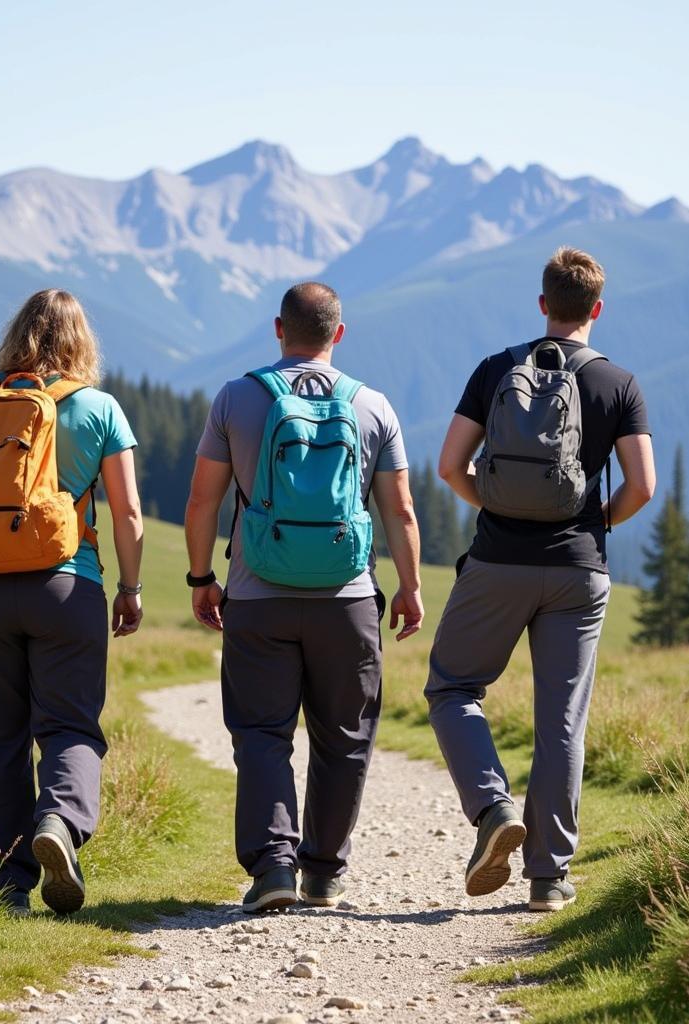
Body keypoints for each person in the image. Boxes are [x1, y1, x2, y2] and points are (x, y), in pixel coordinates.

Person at [426, 247, 655, 912]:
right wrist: (595, 525)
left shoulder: (498, 369)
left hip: (497, 562)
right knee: (562, 720)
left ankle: (493, 808)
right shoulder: (619, 384)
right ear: (597, 309)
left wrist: (496, 507)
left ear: (542, 304)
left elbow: (448, 466)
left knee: (451, 687)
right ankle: (549, 879)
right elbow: (642, 486)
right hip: (578, 572)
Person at [185, 281, 423, 913]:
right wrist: (411, 587)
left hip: (258, 594)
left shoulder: (237, 397)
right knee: (345, 735)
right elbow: (399, 509)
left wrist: (202, 577)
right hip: (347, 598)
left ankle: (272, 868)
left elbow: (203, 500)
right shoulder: (372, 404)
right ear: (337, 335)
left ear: (278, 329)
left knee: (262, 732)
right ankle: (322, 871)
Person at [0, 289, 144, 917]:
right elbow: (126, 511)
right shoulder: (97, 407)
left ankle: (6, 889)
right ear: (80, 342)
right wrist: (130, 587)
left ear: (17, 335)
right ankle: (61, 824)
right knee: (69, 725)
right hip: (66, 587)